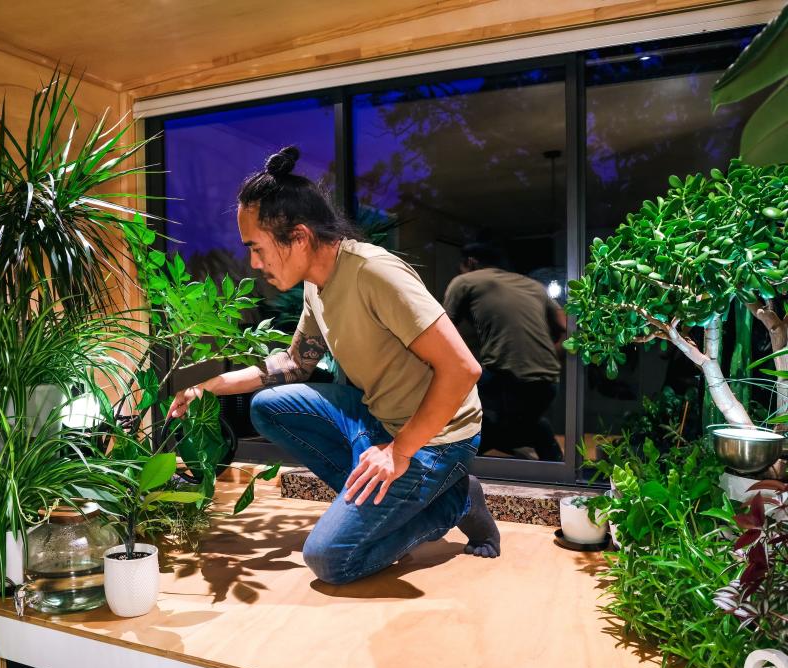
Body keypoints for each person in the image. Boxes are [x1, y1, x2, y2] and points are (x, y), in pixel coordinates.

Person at [167, 146, 501, 585]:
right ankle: (390, 497)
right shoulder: (316, 285)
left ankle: (454, 501)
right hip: (383, 419)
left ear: (300, 237)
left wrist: (399, 452)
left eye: (257, 248)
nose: (253, 262)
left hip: (439, 439)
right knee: (268, 406)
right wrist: (209, 386)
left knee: (330, 559)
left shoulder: (374, 273)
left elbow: (462, 370)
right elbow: (293, 363)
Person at [443, 242, 566, 462]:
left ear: (470, 262)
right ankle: (556, 465)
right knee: (517, 424)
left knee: (454, 411)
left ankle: (452, 468)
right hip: (548, 382)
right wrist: (547, 360)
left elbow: (442, 332)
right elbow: (565, 327)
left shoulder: (465, 281)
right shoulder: (533, 286)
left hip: (506, 380)